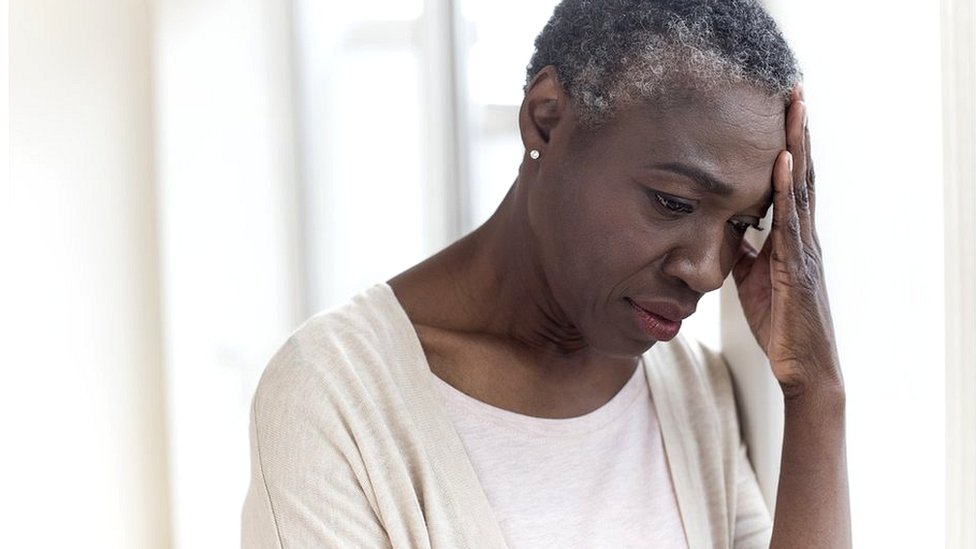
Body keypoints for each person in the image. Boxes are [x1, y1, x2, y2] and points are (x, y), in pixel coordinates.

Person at [241, 0, 851, 547]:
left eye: (740, 226)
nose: (707, 272)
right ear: (547, 118)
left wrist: (816, 394)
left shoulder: (691, 390)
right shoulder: (336, 397)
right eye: (673, 202)